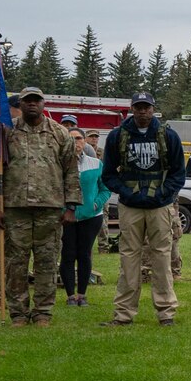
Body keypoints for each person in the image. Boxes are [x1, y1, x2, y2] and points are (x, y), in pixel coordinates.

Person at [0, 87, 79, 328]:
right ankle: (18, 313)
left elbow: (71, 171)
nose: (32, 105)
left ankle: (43, 312)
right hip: (15, 208)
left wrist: (72, 206)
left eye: (37, 101)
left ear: (44, 104)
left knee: (47, 263)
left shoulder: (59, 133)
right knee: (16, 264)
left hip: (50, 208)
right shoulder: (5, 132)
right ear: (21, 104)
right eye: (27, 101)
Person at [100, 92, 184, 327]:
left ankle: (166, 312)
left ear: (153, 109)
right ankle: (124, 314)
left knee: (162, 258)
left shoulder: (168, 135)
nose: (142, 111)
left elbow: (179, 173)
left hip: (160, 207)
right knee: (128, 259)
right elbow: (108, 174)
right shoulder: (118, 136)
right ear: (132, 109)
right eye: (138, 107)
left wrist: (164, 194)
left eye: (146, 107)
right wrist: (126, 193)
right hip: (131, 207)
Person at [60, 128, 110, 308]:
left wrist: (97, 203)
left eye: (79, 138)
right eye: (71, 139)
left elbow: (105, 189)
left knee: (84, 254)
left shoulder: (96, 163)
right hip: (66, 217)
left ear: (85, 141)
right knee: (68, 254)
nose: (76, 142)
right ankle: (70, 296)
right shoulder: (59, 164)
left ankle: (82, 294)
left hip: (91, 216)